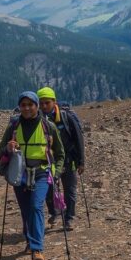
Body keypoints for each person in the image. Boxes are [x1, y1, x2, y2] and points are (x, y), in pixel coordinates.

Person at [0, 92, 64, 260]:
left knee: (35, 206)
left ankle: (37, 249)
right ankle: (30, 240)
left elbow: (60, 153)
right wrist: (8, 148)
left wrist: (56, 174)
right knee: (26, 210)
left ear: (37, 106)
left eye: (30, 104)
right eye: (23, 105)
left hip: (41, 172)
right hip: (20, 174)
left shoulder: (48, 126)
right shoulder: (13, 126)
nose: (26, 108)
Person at [37, 87, 85, 231]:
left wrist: (81, 161)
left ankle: (69, 218)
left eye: (47, 103)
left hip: (69, 159)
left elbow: (78, 138)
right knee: (49, 189)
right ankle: (55, 212)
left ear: (54, 102)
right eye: (41, 103)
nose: (44, 106)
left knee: (69, 189)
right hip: (48, 160)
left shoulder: (66, 116)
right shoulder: (38, 119)